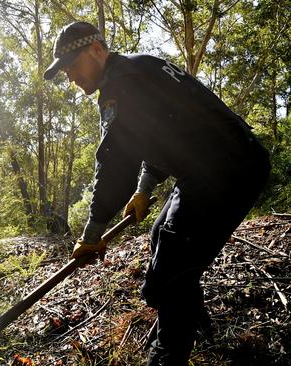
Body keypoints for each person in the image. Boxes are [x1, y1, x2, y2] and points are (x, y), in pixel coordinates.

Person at [43, 21, 270, 366]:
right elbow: (165, 137)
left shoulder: (121, 85)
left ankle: (168, 353)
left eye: (72, 66)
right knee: (159, 236)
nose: (71, 77)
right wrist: (144, 190)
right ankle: (187, 316)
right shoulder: (140, 67)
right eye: (66, 72)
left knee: (170, 269)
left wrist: (93, 230)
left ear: (96, 50)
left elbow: (116, 163)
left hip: (228, 170)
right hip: (212, 167)